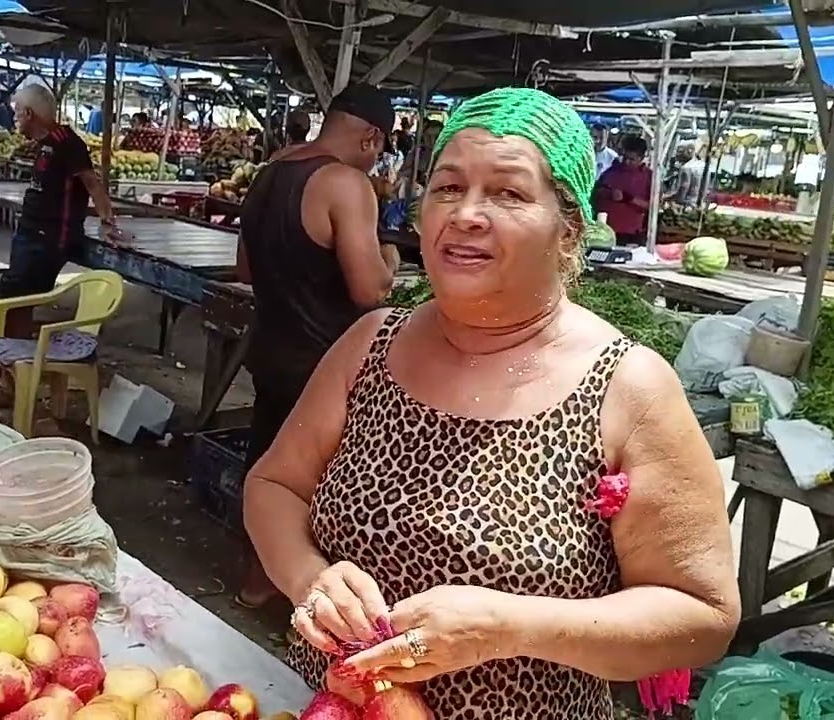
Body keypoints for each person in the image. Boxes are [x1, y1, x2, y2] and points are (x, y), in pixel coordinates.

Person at [243, 87, 739, 719]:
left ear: (569, 229)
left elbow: (703, 616)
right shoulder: (370, 344)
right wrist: (308, 577)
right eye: (447, 187)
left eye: (508, 193)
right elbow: (274, 485)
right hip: (332, 706)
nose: (466, 214)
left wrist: (511, 626)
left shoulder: (627, 388)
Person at [235, 82, 401, 608]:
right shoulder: (346, 184)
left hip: (270, 349)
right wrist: (391, 259)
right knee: (319, 482)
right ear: (372, 138)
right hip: (323, 363)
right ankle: (314, 593)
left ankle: (255, 580)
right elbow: (369, 290)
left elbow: (244, 267)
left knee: (269, 466)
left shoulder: (269, 174)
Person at [0, 83, 127, 338]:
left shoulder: (68, 143)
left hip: (48, 239)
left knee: (0, 300)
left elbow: (92, 184)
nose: (14, 116)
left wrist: (108, 223)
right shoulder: (43, 143)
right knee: (19, 305)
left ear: (30, 114)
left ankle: (9, 360)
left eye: (17, 111)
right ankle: (13, 362)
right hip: (30, 234)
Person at [595, 135, 653, 245]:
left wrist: (627, 198)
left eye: (632, 159)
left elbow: (653, 206)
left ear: (641, 158)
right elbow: (597, 192)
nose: (627, 162)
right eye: (625, 158)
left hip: (632, 234)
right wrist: (607, 193)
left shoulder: (650, 177)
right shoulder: (612, 171)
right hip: (607, 231)